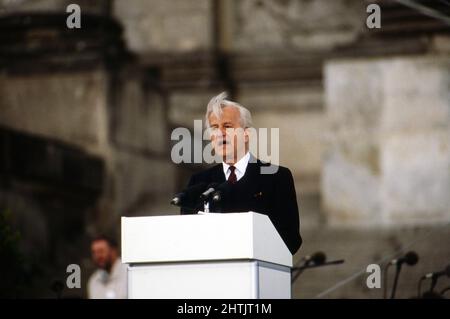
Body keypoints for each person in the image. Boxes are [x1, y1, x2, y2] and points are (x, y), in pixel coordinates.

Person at [181, 92, 302, 255]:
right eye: (214, 127)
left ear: (247, 134)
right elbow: (186, 239)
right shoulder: (198, 182)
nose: (220, 133)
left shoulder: (277, 177)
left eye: (228, 126)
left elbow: (291, 240)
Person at [87, 235, 127, 299]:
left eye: (101, 251)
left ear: (113, 251)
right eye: (94, 252)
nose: (98, 256)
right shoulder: (94, 281)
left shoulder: (128, 274)